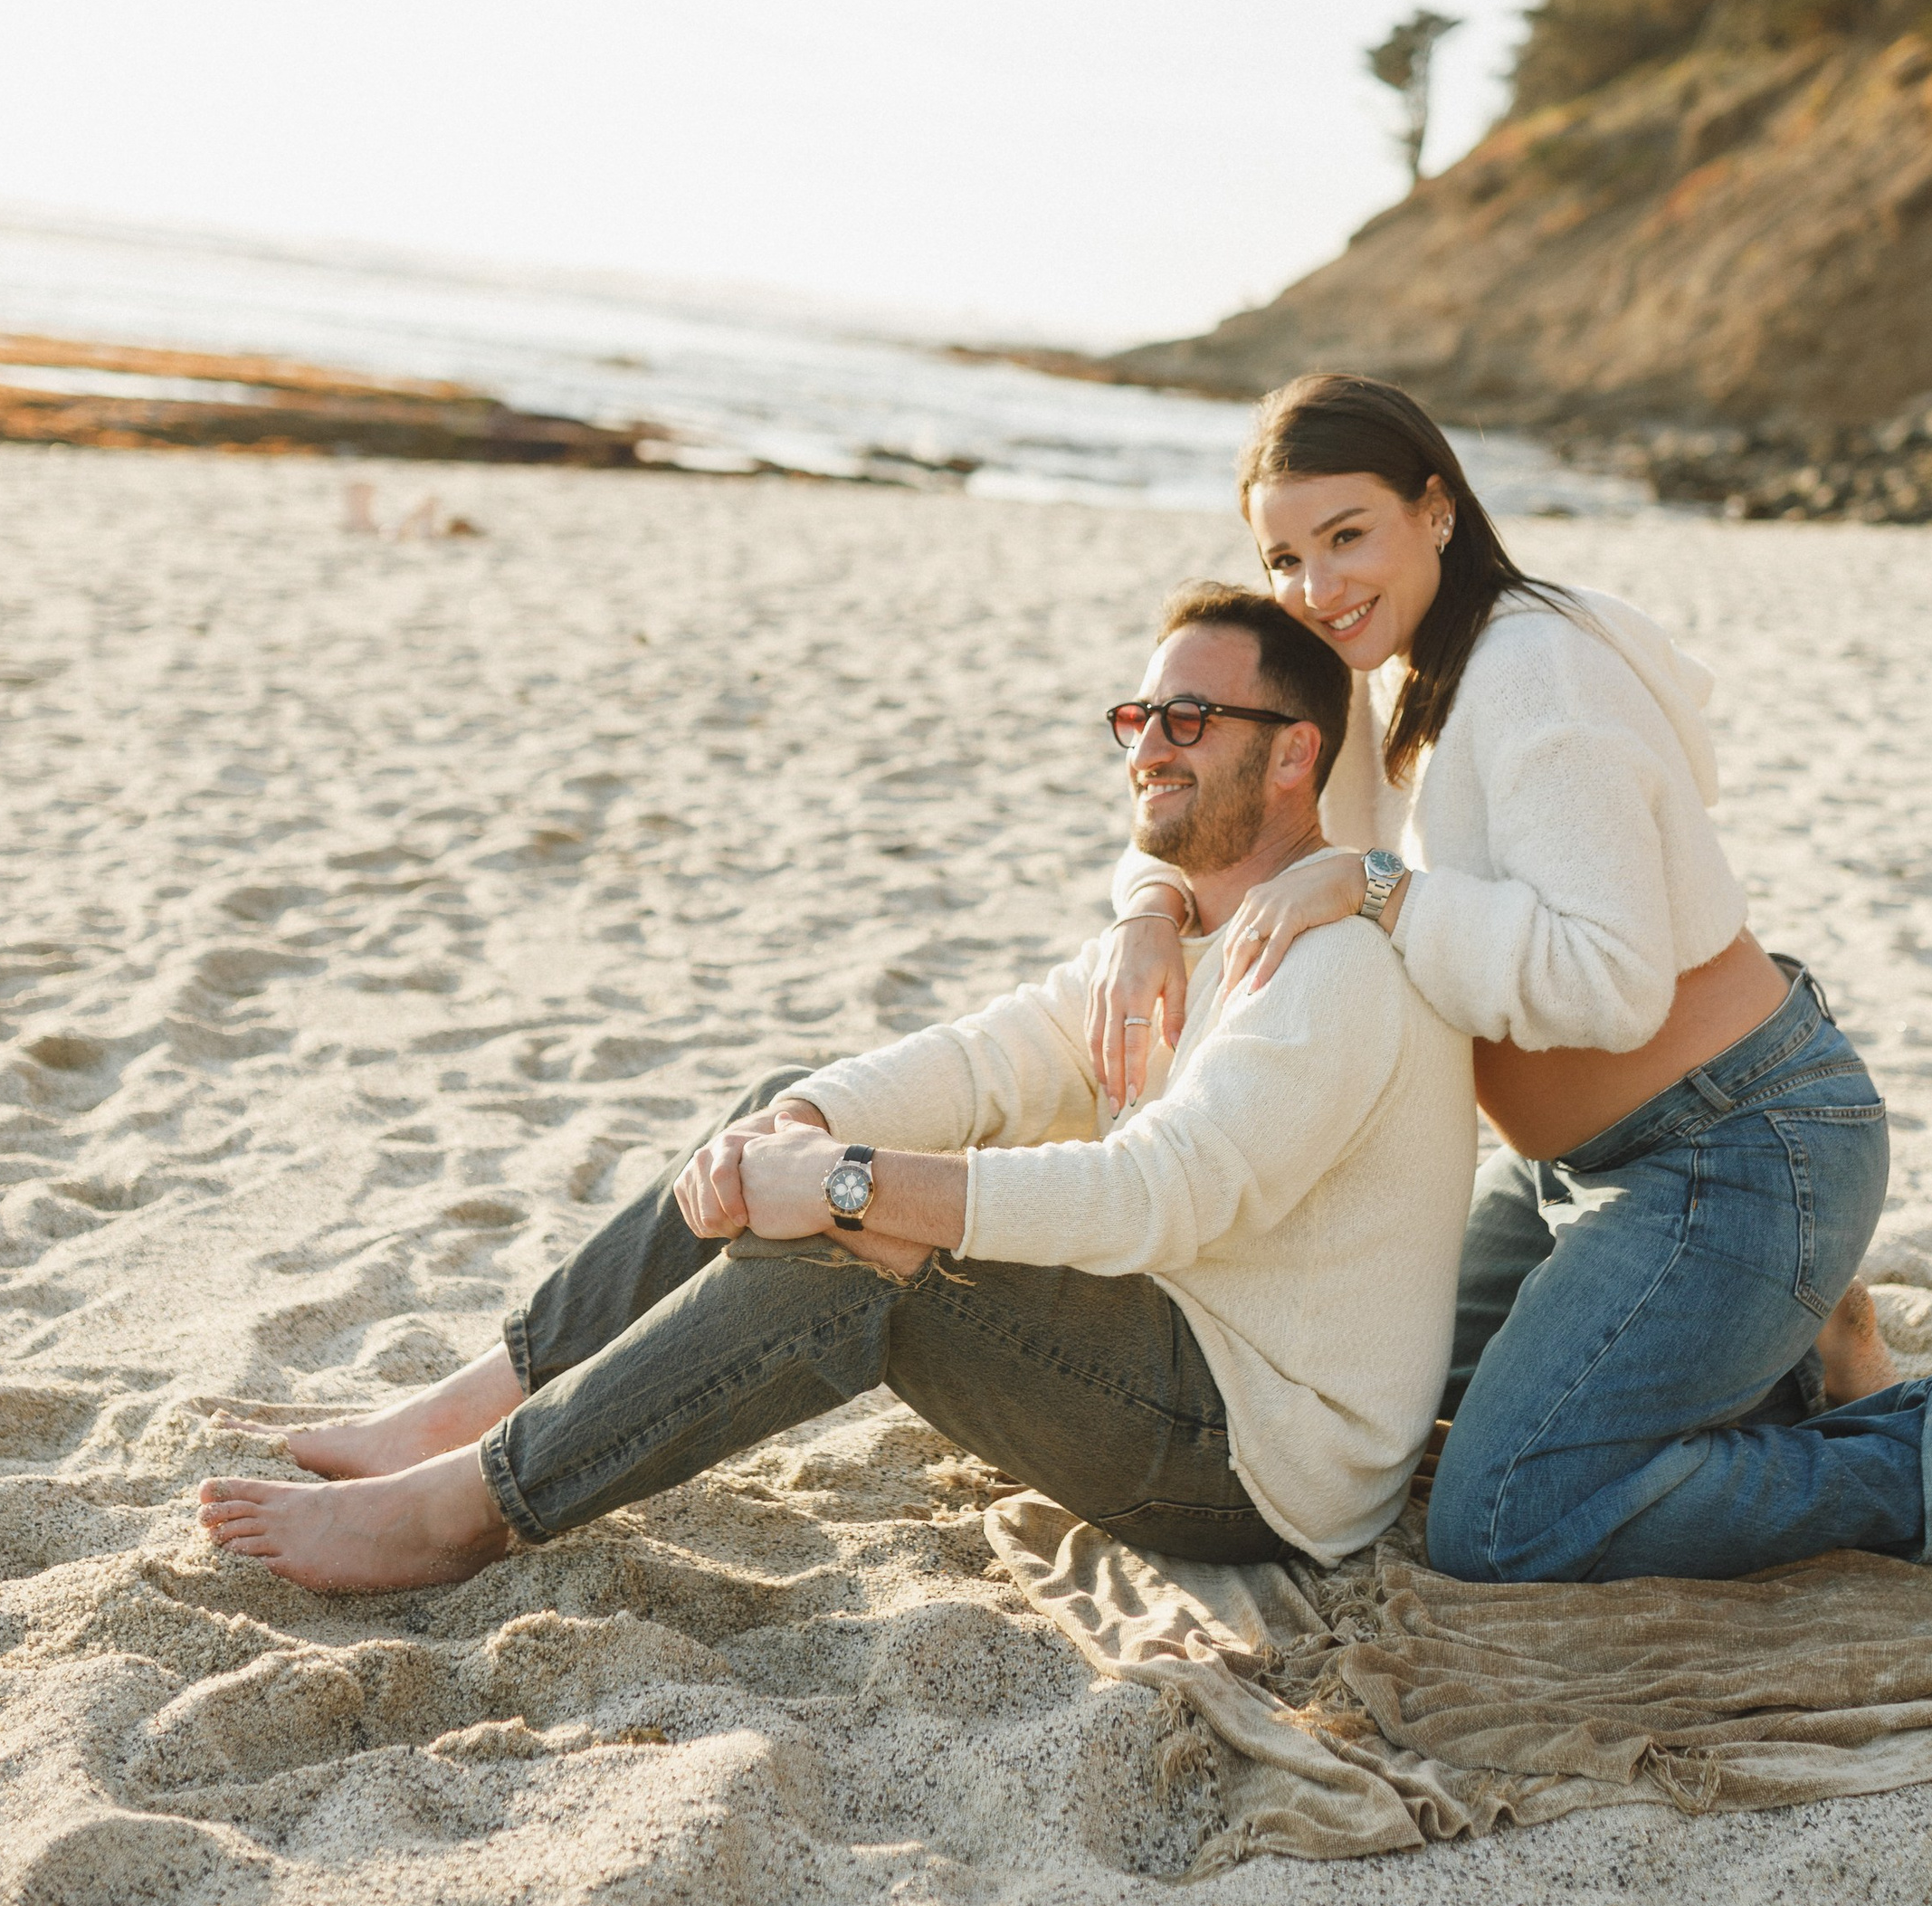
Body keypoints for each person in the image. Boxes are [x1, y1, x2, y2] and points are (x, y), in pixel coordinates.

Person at [197, 583, 1476, 1593]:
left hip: (1262, 1461)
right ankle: (481, 1401)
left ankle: (460, 1513)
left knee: (854, 1253)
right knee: (795, 1098)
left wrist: (849, 1187)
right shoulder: (1172, 934)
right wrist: (805, 1129)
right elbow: (986, 1063)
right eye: (1137, 720)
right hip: (1163, 1346)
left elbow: (1159, 1198)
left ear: (1296, 754)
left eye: (1189, 720)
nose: (1148, 747)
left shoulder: (1338, 971)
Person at [1087, 373, 1932, 1591]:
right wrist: (1149, 907)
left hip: (1736, 1147)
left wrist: (1384, 892)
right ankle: (1796, 1349)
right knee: (1389, 1393)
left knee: (1505, 1512)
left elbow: (1610, 980)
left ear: (1438, 510)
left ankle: (1915, 1462)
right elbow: (1244, 814)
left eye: (1347, 537)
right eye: (1286, 555)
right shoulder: (1388, 676)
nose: (1317, 588)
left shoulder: (1534, 675)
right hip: (1564, 1174)